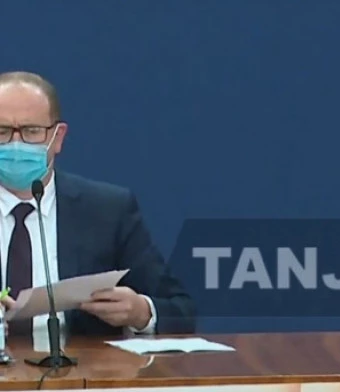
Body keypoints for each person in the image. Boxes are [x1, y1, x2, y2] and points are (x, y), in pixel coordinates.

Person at [0, 71, 195, 337]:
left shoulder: (107, 210)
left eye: (31, 131)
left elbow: (181, 311)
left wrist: (140, 312)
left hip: (81, 363)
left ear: (58, 138)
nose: (16, 145)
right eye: (2, 132)